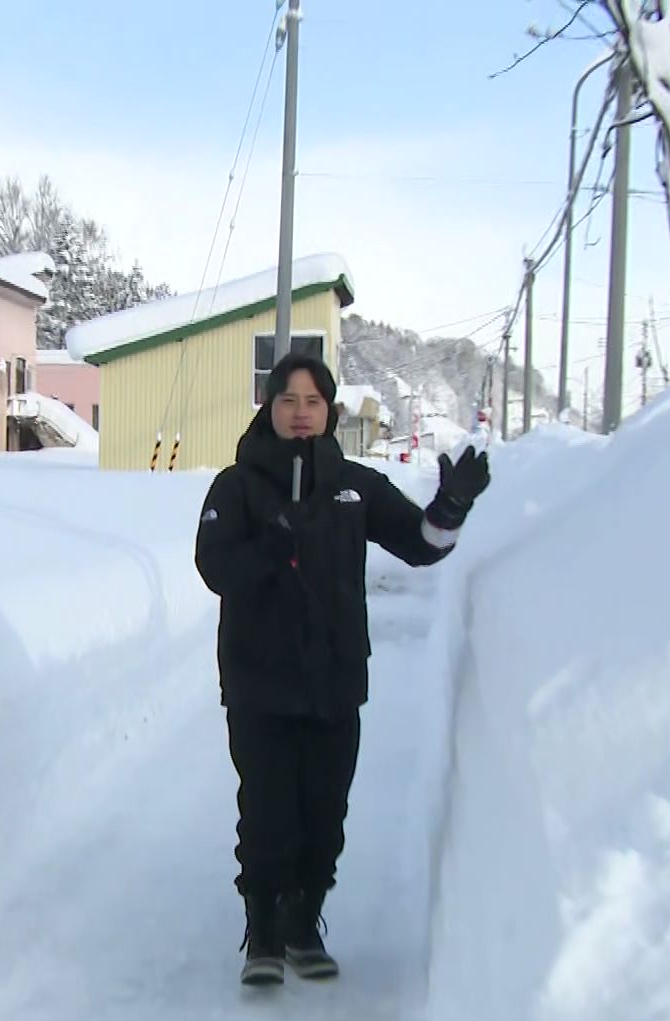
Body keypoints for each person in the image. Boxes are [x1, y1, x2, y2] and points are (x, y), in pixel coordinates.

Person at [194, 354, 490, 988]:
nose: (301, 412)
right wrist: (271, 543)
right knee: (268, 813)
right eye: (288, 400)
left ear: (329, 411)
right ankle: (265, 933)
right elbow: (216, 569)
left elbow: (420, 544)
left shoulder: (353, 486)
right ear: (269, 409)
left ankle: (305, 924)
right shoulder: (236, 486)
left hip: (334, 682)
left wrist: (452, 506)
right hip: (259, 685)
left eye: (313, 401)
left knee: (325, 815)